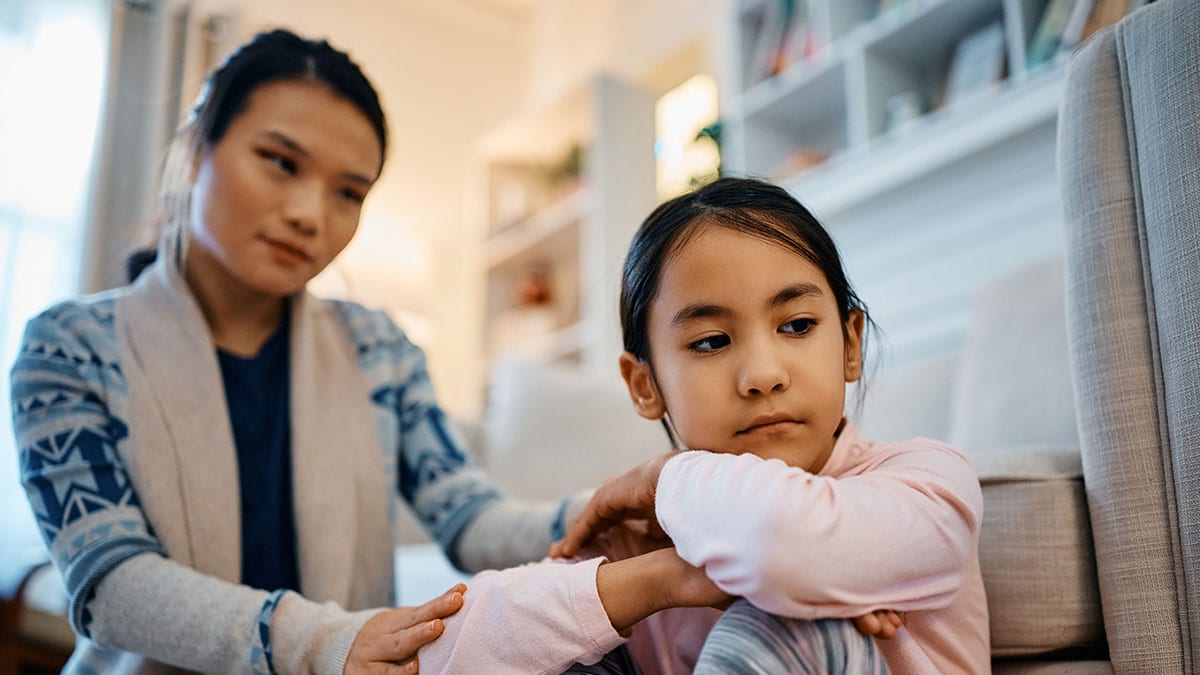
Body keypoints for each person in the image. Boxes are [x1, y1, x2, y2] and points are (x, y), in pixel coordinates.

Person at [8, 28, 680, 674]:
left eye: (349, 192)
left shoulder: (378, 349)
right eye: (280, 162)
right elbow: (111, 581)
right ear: (194, 150)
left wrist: (598, 510)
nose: (309, 213)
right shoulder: (69, 348)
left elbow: (469, 516)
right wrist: (322, 642)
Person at [548, 177, 991, 673]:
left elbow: (781, 542)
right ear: (644, 385)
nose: (763, 375)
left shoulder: (929, 483)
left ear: (850, 346)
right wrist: (660, 578)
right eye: (712, 341)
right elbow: (460, 638)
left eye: (797, 325)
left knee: (782, 624)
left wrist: (662, 478)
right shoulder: (639, 534)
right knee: (561, 647)